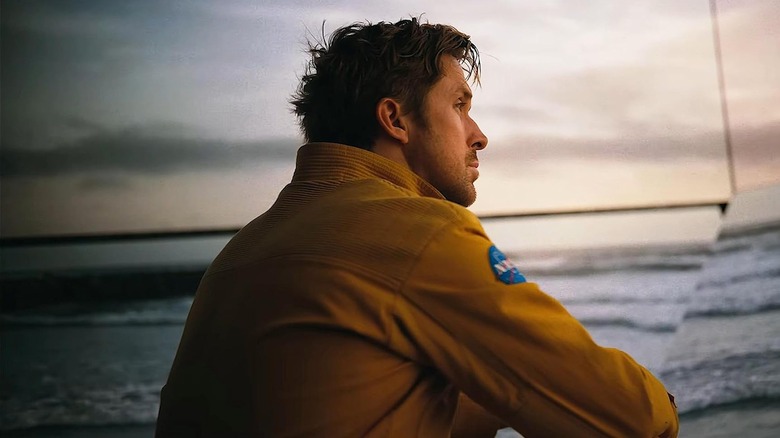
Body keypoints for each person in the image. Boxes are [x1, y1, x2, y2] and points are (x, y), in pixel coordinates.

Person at [155, 17, 679, 437]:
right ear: (396, 120)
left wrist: (494, 398)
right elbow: (627, 420)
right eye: (459, 105)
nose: (479, 136)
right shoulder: (419, 232)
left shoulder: (243, 249)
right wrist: (661, 404)